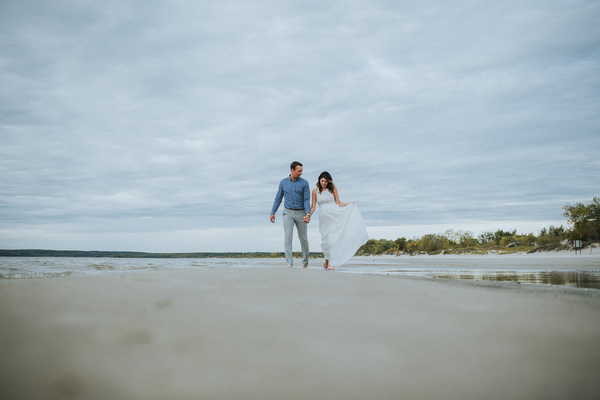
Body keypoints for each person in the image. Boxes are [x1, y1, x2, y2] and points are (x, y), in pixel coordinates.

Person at [308, 171, 368, 270]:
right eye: (322, 181)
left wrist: (349, 204)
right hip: (323, 219)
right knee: (325, 240)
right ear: (319, 180)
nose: (324, 183)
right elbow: (313, 206)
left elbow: (338, 203)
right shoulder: (315, 191)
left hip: (334, 216)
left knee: (333, 239)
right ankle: (327, 259)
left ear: (329, 182)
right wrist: (308, 215)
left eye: (326, 181)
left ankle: (333, 263)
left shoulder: (333, 189)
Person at [270, 161, 311, 268]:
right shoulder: (283, 182)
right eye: (299, 171)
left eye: (301, 171)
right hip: (287, 212)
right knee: (288, 237)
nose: (301, 173)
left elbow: (306, 199)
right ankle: (289, 263)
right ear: (292, 170)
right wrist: (272, 212)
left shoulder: (304, 183)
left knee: (303, 238)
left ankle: (305, 262)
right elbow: (278, 198)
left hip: (301, 213)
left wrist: (308, 214)